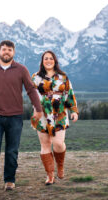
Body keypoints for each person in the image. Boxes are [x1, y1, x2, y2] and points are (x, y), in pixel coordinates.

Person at [0, 40, 43, 191]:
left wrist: (38, 109)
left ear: (13, 52)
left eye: (9, 49)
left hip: (15, 117)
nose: (6, 52)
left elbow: (31, 90)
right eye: (3, 49)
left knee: (12, 150)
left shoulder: (21, 69)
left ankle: (9, 181)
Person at [31, 50, 79, 185]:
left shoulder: (63, 77)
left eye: (51, 58)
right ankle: (50, 175)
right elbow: (32, 94)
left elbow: (70, 93)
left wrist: (74, 110)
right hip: (41, 114)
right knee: (45, 145)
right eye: (45, 58)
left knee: (58, 143)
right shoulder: (35, 77)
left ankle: (60, 165)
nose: (48, 60)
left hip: (60, 113)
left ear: (55, 60)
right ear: (42, 61)